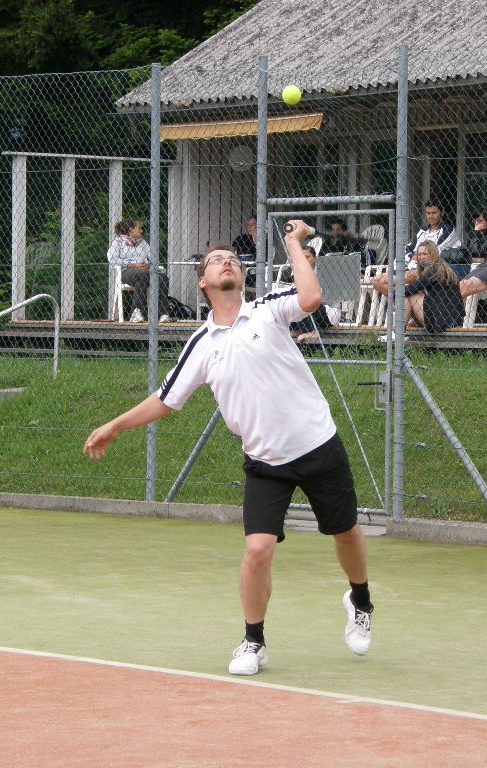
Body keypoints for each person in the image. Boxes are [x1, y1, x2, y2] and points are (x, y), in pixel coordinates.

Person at [83, 221, 374, 677]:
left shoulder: (267, 310)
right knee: (257, 550)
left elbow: (311, 298)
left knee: (347, 534)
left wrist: (293, 243)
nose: (227, 263)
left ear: (241, 276)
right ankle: (253, 641)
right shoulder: (201, 344)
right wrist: (115, 425)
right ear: (202, 281)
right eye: (217, 261)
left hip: (318, 444)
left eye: (233, 260)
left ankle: (360, 601)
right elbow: (165, 399)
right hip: (265, 463)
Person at [375, 241, 463, 338]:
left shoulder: (434, 269)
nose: (421, 257)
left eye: (425, 254)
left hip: (442, 320)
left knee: (410, 295)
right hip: (451, 318)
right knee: (408, 294)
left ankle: (398, 334)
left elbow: (413, 288)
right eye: (419, 254)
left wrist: (392, 295)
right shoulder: (441, 266)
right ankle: (398, 333)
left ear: (433, 254)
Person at [107, 219, 170, 323]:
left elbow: (154, 259)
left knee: (163, 277)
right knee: (142, 275)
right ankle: (135, 312)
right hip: (127, 271)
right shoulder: (117, 242)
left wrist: (149, 265)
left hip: (146, 271)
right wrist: (132, 265)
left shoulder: (143, 243)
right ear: (130, 230)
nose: (141, 230)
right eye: (139, 228)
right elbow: (112, 259)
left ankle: (163, 314)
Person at [287, 246, 338, 343]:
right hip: (312, 310)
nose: (304, 260)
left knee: (306, 299)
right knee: (293, 297)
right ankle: (297, 329)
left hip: (329, 311)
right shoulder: (299, 273)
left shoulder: (324, 273)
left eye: (307, 257)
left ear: (315, 258)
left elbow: (322, 298)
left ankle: (312, 331)